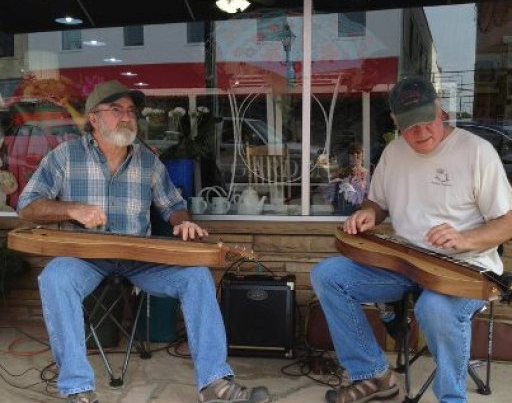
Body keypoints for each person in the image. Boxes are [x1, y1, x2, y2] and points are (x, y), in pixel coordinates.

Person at [17, 80, 271, 403]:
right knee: (54, 277)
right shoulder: (65, 157)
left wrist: (184, 223)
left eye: (131, 111)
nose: (127, 117)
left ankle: (214, 382)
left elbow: (173, 206)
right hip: (83, 257)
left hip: (139, 259)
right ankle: (77, 389)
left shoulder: (148, 161)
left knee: (196, 275)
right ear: (93, 118)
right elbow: (27, 207)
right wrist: (72, 209)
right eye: (116, 109)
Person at [311, 77, 512, 403]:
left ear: (440, 111)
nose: (420, 132)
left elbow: (508, 222)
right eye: (409, 125)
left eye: (426, 120)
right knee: (328, 276)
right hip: (404, 263)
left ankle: (451, 397)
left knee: (434, 307)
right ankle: (373, 374)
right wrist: (369, 215)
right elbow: (377, 203)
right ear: (395, 122)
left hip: (466, 269)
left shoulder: (476, 152)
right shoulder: (393, 152)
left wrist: (465, 238)